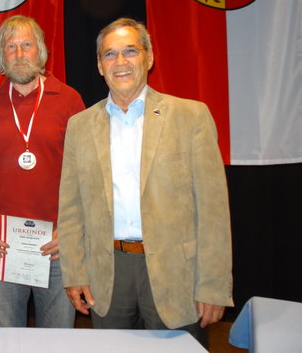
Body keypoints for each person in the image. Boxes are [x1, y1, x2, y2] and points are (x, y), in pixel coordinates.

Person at [57, 18, 233, 346]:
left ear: (149, 57)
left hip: (176, 273)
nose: (120, 62)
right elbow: (71, 209)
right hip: (108, 273)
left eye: (130, 51)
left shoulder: (191, 117)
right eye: (109, 55)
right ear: (99, 65)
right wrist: (75, 273)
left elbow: (213, 211)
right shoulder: (80, 126)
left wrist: (212, 285)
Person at [0, 15, 85, 327]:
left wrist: (68, 230)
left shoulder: (69, 100)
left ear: (40, 51)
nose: (20, 54)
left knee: (56, 339)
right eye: (11, 47)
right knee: (7, 338)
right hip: (2, 244)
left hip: (55, 245)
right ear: (2, 55)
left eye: (27, 45)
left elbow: (83, 177)